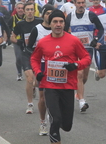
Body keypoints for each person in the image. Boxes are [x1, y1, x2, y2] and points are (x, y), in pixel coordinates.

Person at [31, 9, 91, 144]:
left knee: (67, 125)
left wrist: (76, 65)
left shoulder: (73, 41)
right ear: (50, 24)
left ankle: (55, 121)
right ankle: (53, 123)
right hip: (49, 85)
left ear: (64, 24)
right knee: (56, 120)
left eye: (61, 22)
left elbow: (87, 58)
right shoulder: (43, 42)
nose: (58, 24)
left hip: (68, 86)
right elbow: (34, 59)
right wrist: (37, 72)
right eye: (55, 22)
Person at [64, 0, 104, 112]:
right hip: (74, 51)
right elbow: (65, 32)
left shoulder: (91, 15)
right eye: (79, 3)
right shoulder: (70, 17)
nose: (81, 5)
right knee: (79, 74)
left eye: (83, 3)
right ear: (74, 4)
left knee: (84, 76)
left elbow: (101, 29)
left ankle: (79, 91)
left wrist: (95, 40)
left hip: (87, 50)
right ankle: (82, 101)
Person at [27, 4, 54, 136]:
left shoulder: (59, 29)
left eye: (51, 13)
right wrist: (37, 57)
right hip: (42, 66)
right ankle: (43, 122)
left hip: (56, 67)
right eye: (47, 13)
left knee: (55, 97)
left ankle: (52, 116)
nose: (49, 15)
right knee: (42, 98)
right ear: (43, 15)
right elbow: (28, 47)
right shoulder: (37, 29)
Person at [11, 2, 43, 114]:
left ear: (34, 11)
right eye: (27, 10)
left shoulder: (40, 21)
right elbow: (12, 36)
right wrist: (18, 42)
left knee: (39, 81)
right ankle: (30, 104)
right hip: (27, 54)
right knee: (29, 78)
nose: (30, 12)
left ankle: (34, 86)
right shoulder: (21, 24)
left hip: (39, 54)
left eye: (31, 9)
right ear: (24, 12)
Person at [7, 2, 25, 80]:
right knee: (18, 57)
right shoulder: (13, 18)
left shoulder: (27, 18)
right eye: (19, 8)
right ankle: (19, 73)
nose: (20, 10)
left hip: (26, 41)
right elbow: (7, 27)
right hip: (17, 41)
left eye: (22, 8)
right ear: (16, 9)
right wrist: (10, 33)